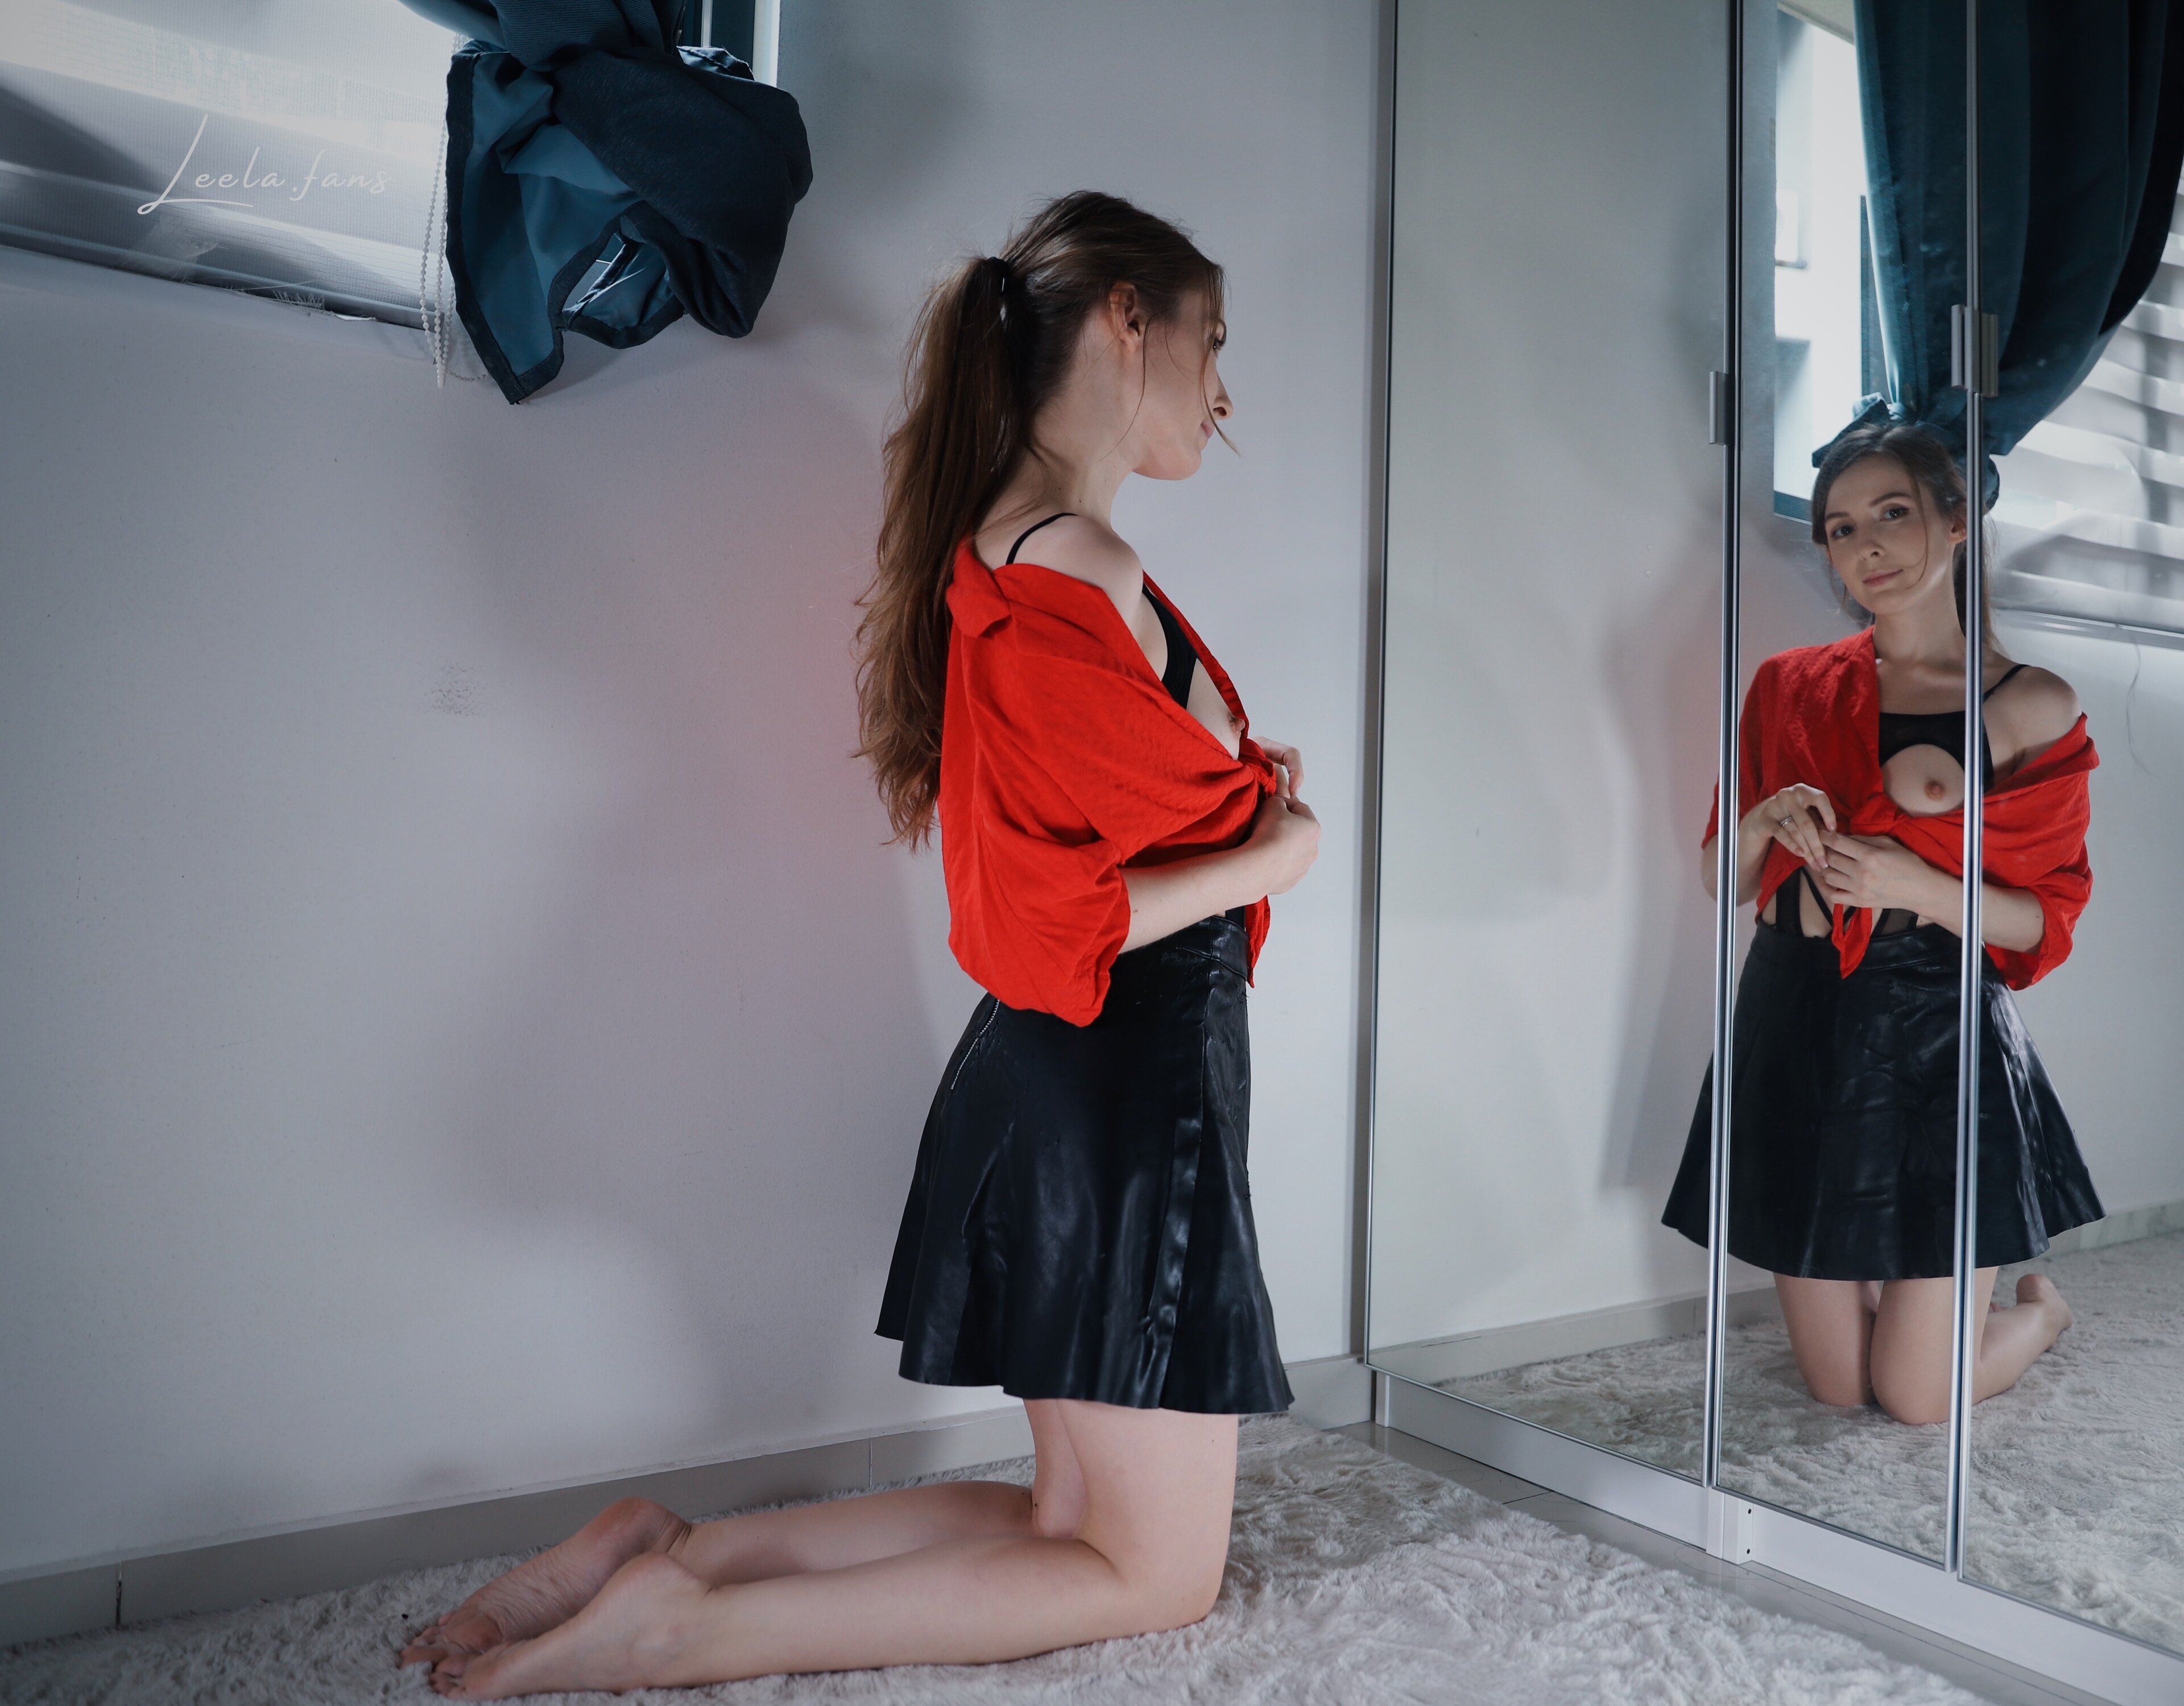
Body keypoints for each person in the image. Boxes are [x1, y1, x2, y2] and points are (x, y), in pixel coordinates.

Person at [398, 191, 1319, 1697]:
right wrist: (1278, 849)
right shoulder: (1074, 565)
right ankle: (686, 1631)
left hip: (1068, 1089)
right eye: (1211, 340)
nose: (1225, 391)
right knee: (1156, 1577)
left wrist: (1224, 791)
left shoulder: (1018, 557)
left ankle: (680, 1554)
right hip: (1121, 1092)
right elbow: (1054, 918)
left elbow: (1090, 825)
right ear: (1126, 322)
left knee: (1071, 1523)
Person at [1662, 421, 2102, 1426]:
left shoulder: (2027, 702)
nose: (1867, 547)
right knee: (1838, 1386)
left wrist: (1917, 883)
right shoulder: (1789, 684)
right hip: (1790, 1010)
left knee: (1913, 1396)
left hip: (1934, 1025)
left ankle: (2041, 1314)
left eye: (1893, 514)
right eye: (1841, 528)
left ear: (1956, 521)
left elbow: (2045, 919)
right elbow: (1723, 880)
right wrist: (1764, 821)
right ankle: (1946, 1311)